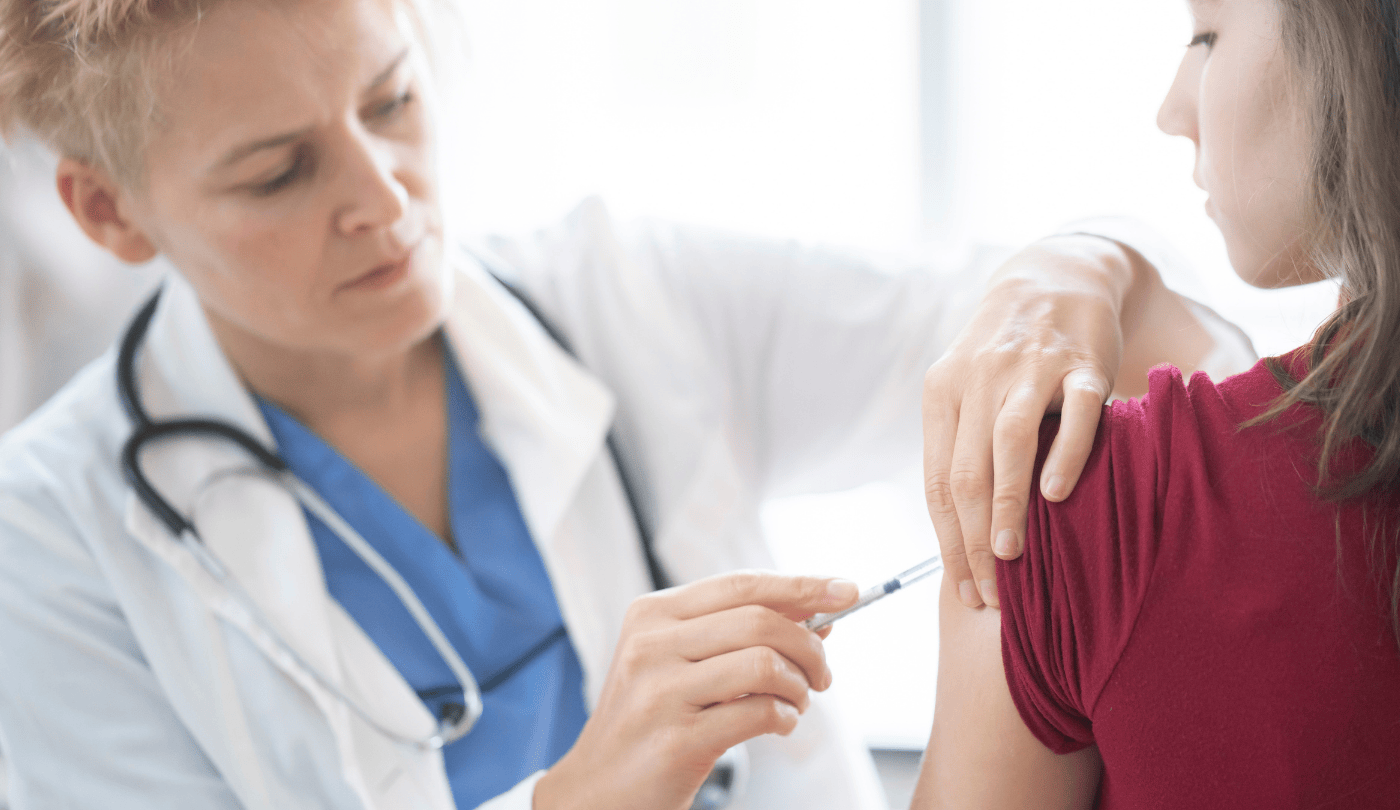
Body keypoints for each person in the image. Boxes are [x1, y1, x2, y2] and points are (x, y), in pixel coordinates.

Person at [0, 0, 1252, 808]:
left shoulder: (625, 296)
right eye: (278, 172)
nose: (384, 200)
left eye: (391, 100)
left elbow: (1162, 349)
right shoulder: (50, 546)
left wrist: (1069, 269)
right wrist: (584, 799)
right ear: (108, 213)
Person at [913, 0, 1400, 806]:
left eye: (1208, 35)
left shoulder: (1072, 506)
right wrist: (1089, 262)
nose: (1172, 110)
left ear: (1366, 39)